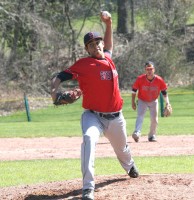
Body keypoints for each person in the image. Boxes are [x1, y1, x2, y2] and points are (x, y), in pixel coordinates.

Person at [51, 11, 139, 200]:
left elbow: (109, 45)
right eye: (92, 44)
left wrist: (109, 24)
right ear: (87, 49)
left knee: (122, 149)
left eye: (98, 42)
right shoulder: (84, 64)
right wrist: (54, 88)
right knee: (89, 140)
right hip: (93, 116)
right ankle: (88, 188)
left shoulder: (108, 57)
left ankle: (130, 165)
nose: (96, 45)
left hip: (116, 117)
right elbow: (62, 75)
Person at [131, 61, 171, 142]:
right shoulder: (140, 79)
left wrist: (168, 103)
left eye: (151, 69)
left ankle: (152, 136)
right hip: (142, 100)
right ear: (145, 70)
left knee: (154, 119)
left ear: (154, 70)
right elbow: (134, 91)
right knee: (140, 116)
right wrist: (133, 101)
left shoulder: (159, 80)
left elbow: (164, 92)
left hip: (153, 101)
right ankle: (137, 133)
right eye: (147, 69)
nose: (149, 71)